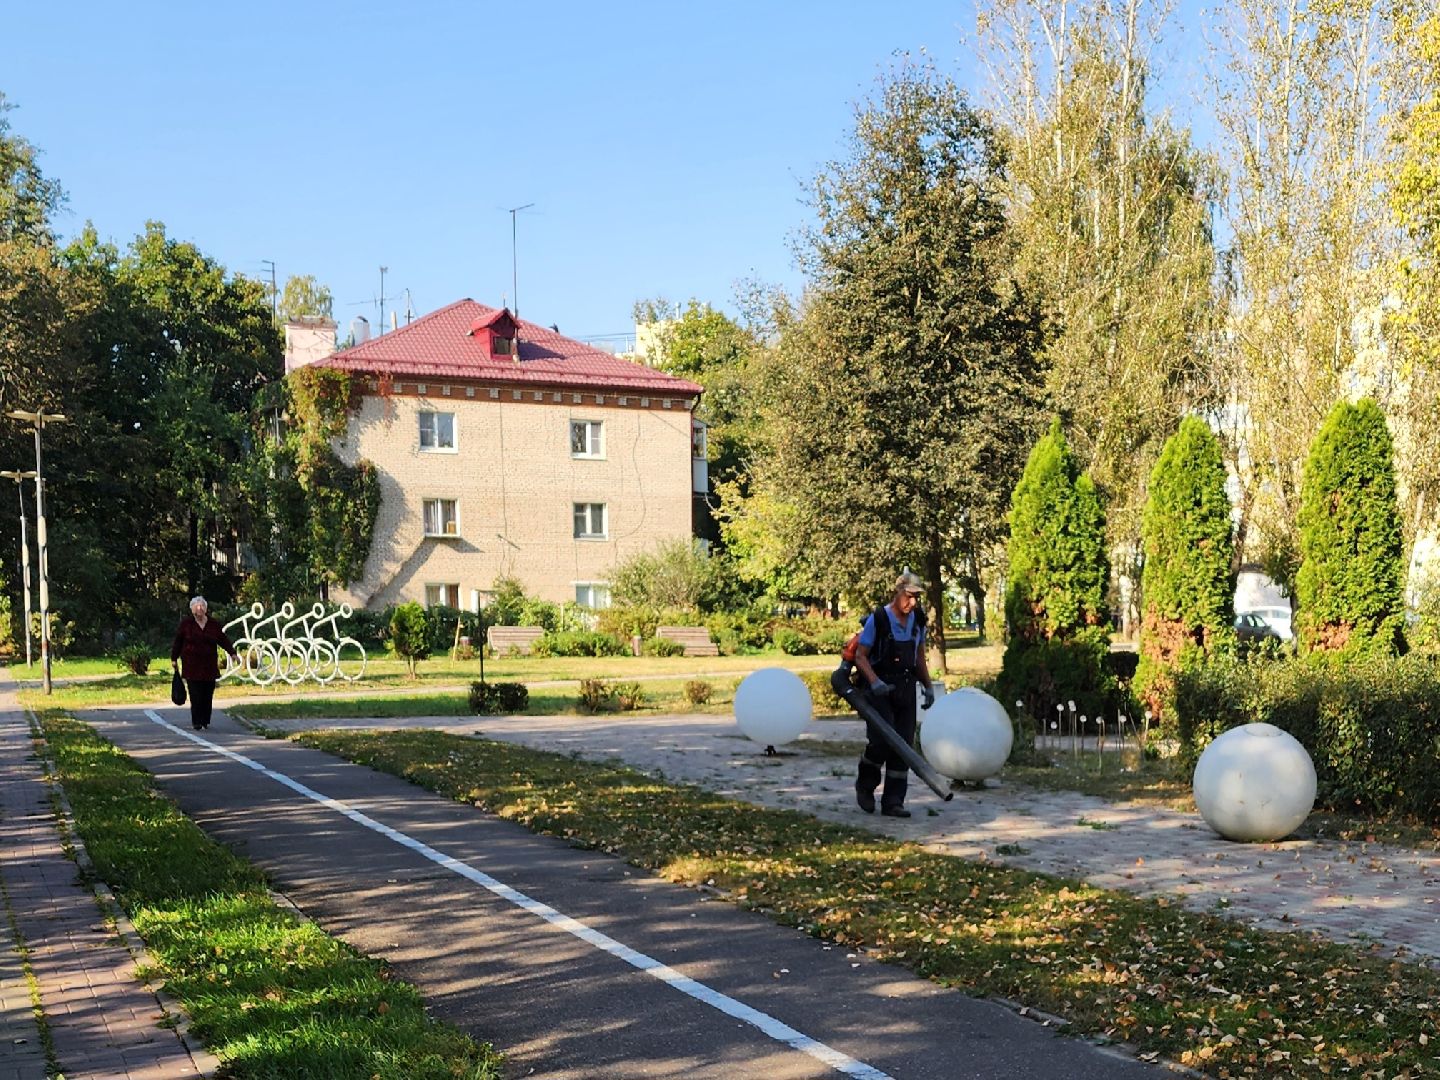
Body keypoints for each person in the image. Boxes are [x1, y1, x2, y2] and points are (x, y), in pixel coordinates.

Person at [853, 571, 937, 818]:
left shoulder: (918, 620)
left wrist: (927, 685)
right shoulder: (878, 619)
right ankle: (865, 786)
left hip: (905, 688)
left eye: (917, 598)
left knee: (904, 745)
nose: (913, 603)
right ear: (898, 592)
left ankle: (893, 802)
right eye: (909, 597)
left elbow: (918, 657)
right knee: (880, 743)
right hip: (879, 689)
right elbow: (860, 656)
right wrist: (875, 681)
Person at [170, 596, 238, 731]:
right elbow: (178, 641)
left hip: (209, 666)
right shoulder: (186, 624)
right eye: (197, 606)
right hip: (191, 665)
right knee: (195, 695)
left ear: (206, 609)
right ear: (192, 609)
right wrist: (174, 658)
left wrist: (232, 652)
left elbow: (222, 639)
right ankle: (197, 722)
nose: (200, 608)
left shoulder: (213, 624)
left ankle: (205, 719)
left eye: (202, 606)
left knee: (207, 694)